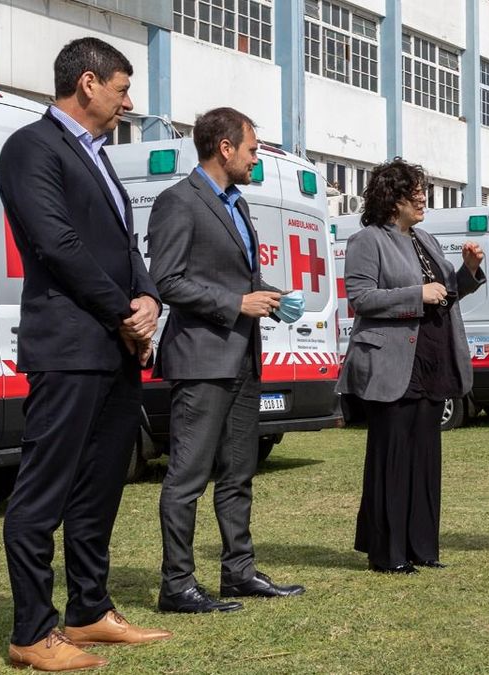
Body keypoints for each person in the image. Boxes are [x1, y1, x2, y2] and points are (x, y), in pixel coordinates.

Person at [0, 37, 171, 671]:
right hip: (69, 346)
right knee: (44, 492)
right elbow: (58, 244)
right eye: (123, 89)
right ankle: (31, 631)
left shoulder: (99, 156)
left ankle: (88, 611)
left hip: (114, 350)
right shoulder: (31, 148)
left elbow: (125, 245)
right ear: (89, 83)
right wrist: (123, 311)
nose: (128, 102)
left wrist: (148, 295)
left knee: (99, 489)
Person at [148, 107, 304, 613]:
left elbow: (234, 279)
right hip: (200, 360)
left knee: (239, 472)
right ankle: (177, 585)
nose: (256, 159)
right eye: (253, 149)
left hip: (242, 357)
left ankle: (238, 572)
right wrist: (236, 304)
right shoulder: (178, 202)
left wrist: (270, 297)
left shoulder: (238, 204)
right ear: (225, 148)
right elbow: (167, 281)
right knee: (188, 478)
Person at [337, 158, 485, 574]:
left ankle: (422, 547)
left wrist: (469, 272)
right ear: (391, 198)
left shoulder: (428, 240)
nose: (423, 197)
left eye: (423, 190)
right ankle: (388, 553)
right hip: (391, 363)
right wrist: (416, 294)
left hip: (432, 361)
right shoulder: (368, 240)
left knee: (424, 458)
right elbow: (361, 298)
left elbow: (446, 292)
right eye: (413, 191)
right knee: (393, 458)